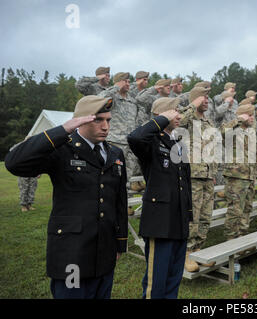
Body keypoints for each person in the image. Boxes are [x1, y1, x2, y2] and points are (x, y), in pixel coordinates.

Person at [5, 95, 128, 299]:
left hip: (105, 250)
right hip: (73, 252)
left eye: (108, 120)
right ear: (81, 120)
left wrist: (120, 241)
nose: (106, 126)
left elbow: (119, 200)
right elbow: (14, 163)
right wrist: (63, 130)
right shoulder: (62, 148)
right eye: (98, 120)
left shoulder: (115, 153)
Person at [127, 98, 192, 299]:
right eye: (174, 111)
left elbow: (185, 181)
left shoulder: (177, 143)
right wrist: (161, 119)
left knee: (174, 277)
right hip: (160, 220)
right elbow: (135, 138)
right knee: (156, 281)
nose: (179, 115)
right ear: (161, 115)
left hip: (178, 218)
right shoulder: (151, 141)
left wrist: (188, 214)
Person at [179, 87, 217, 272]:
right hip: (192, 174)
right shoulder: (187, 118)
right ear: (195, 100)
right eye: (203, 97)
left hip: (208, 175)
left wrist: (214, 172)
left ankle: (198, 250)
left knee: (205, 216)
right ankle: (186, 253)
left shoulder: (208, 121)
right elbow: (177, 121)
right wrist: (191, 105)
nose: (207, 100)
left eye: (208, 97)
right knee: (192, 216)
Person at [99, 72, 146, 214]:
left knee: (127, 176)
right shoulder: (111, 97)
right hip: (115, 142)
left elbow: (139, 117)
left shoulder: (132, 100)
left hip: (130, 144)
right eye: (125, 81)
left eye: (128, 81)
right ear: (118, 82)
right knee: (113, 175)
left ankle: (123, 203)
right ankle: (108, 203)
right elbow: (99, 100)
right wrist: (115, 87)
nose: (128, 84)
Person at [221, 104, 257, 240]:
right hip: (236, 177)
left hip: (249, 175)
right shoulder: (232, 130)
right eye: (250, 115)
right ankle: (231, 240)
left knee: (247, 209)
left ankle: (242, 237)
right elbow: (222, 131)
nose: (253, 118)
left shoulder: (250, 131)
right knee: (235, 210)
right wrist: (238, 119)